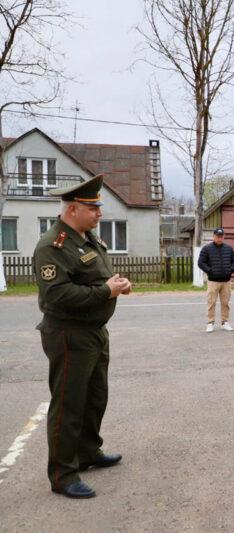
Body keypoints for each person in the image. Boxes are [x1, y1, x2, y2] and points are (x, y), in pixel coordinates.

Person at [33, 175, 131, 499]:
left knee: (94, 398)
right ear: (74, 209)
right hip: (68, 334)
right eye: (94, 207)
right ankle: (62, 474)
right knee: (68, 405)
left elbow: (95, 278)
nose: (99, 213)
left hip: (93, 332)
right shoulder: (53, 246)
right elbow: (58, 295)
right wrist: (106, 290)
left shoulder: (87, 239)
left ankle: (88, 452)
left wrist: (115, 284)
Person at [198, 227, 234, 332]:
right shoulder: (206, 248)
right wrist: (210, 271)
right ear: (213, 237)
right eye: (217, 236)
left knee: (225, 303)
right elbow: (201, 262)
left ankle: (225, 322)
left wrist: (231, 270)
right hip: (213, 281)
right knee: (211, 302)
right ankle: (210, 323)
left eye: (221, 236)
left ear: (223, 237)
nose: (219, 238)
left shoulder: (229, 248)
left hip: (226, 281)